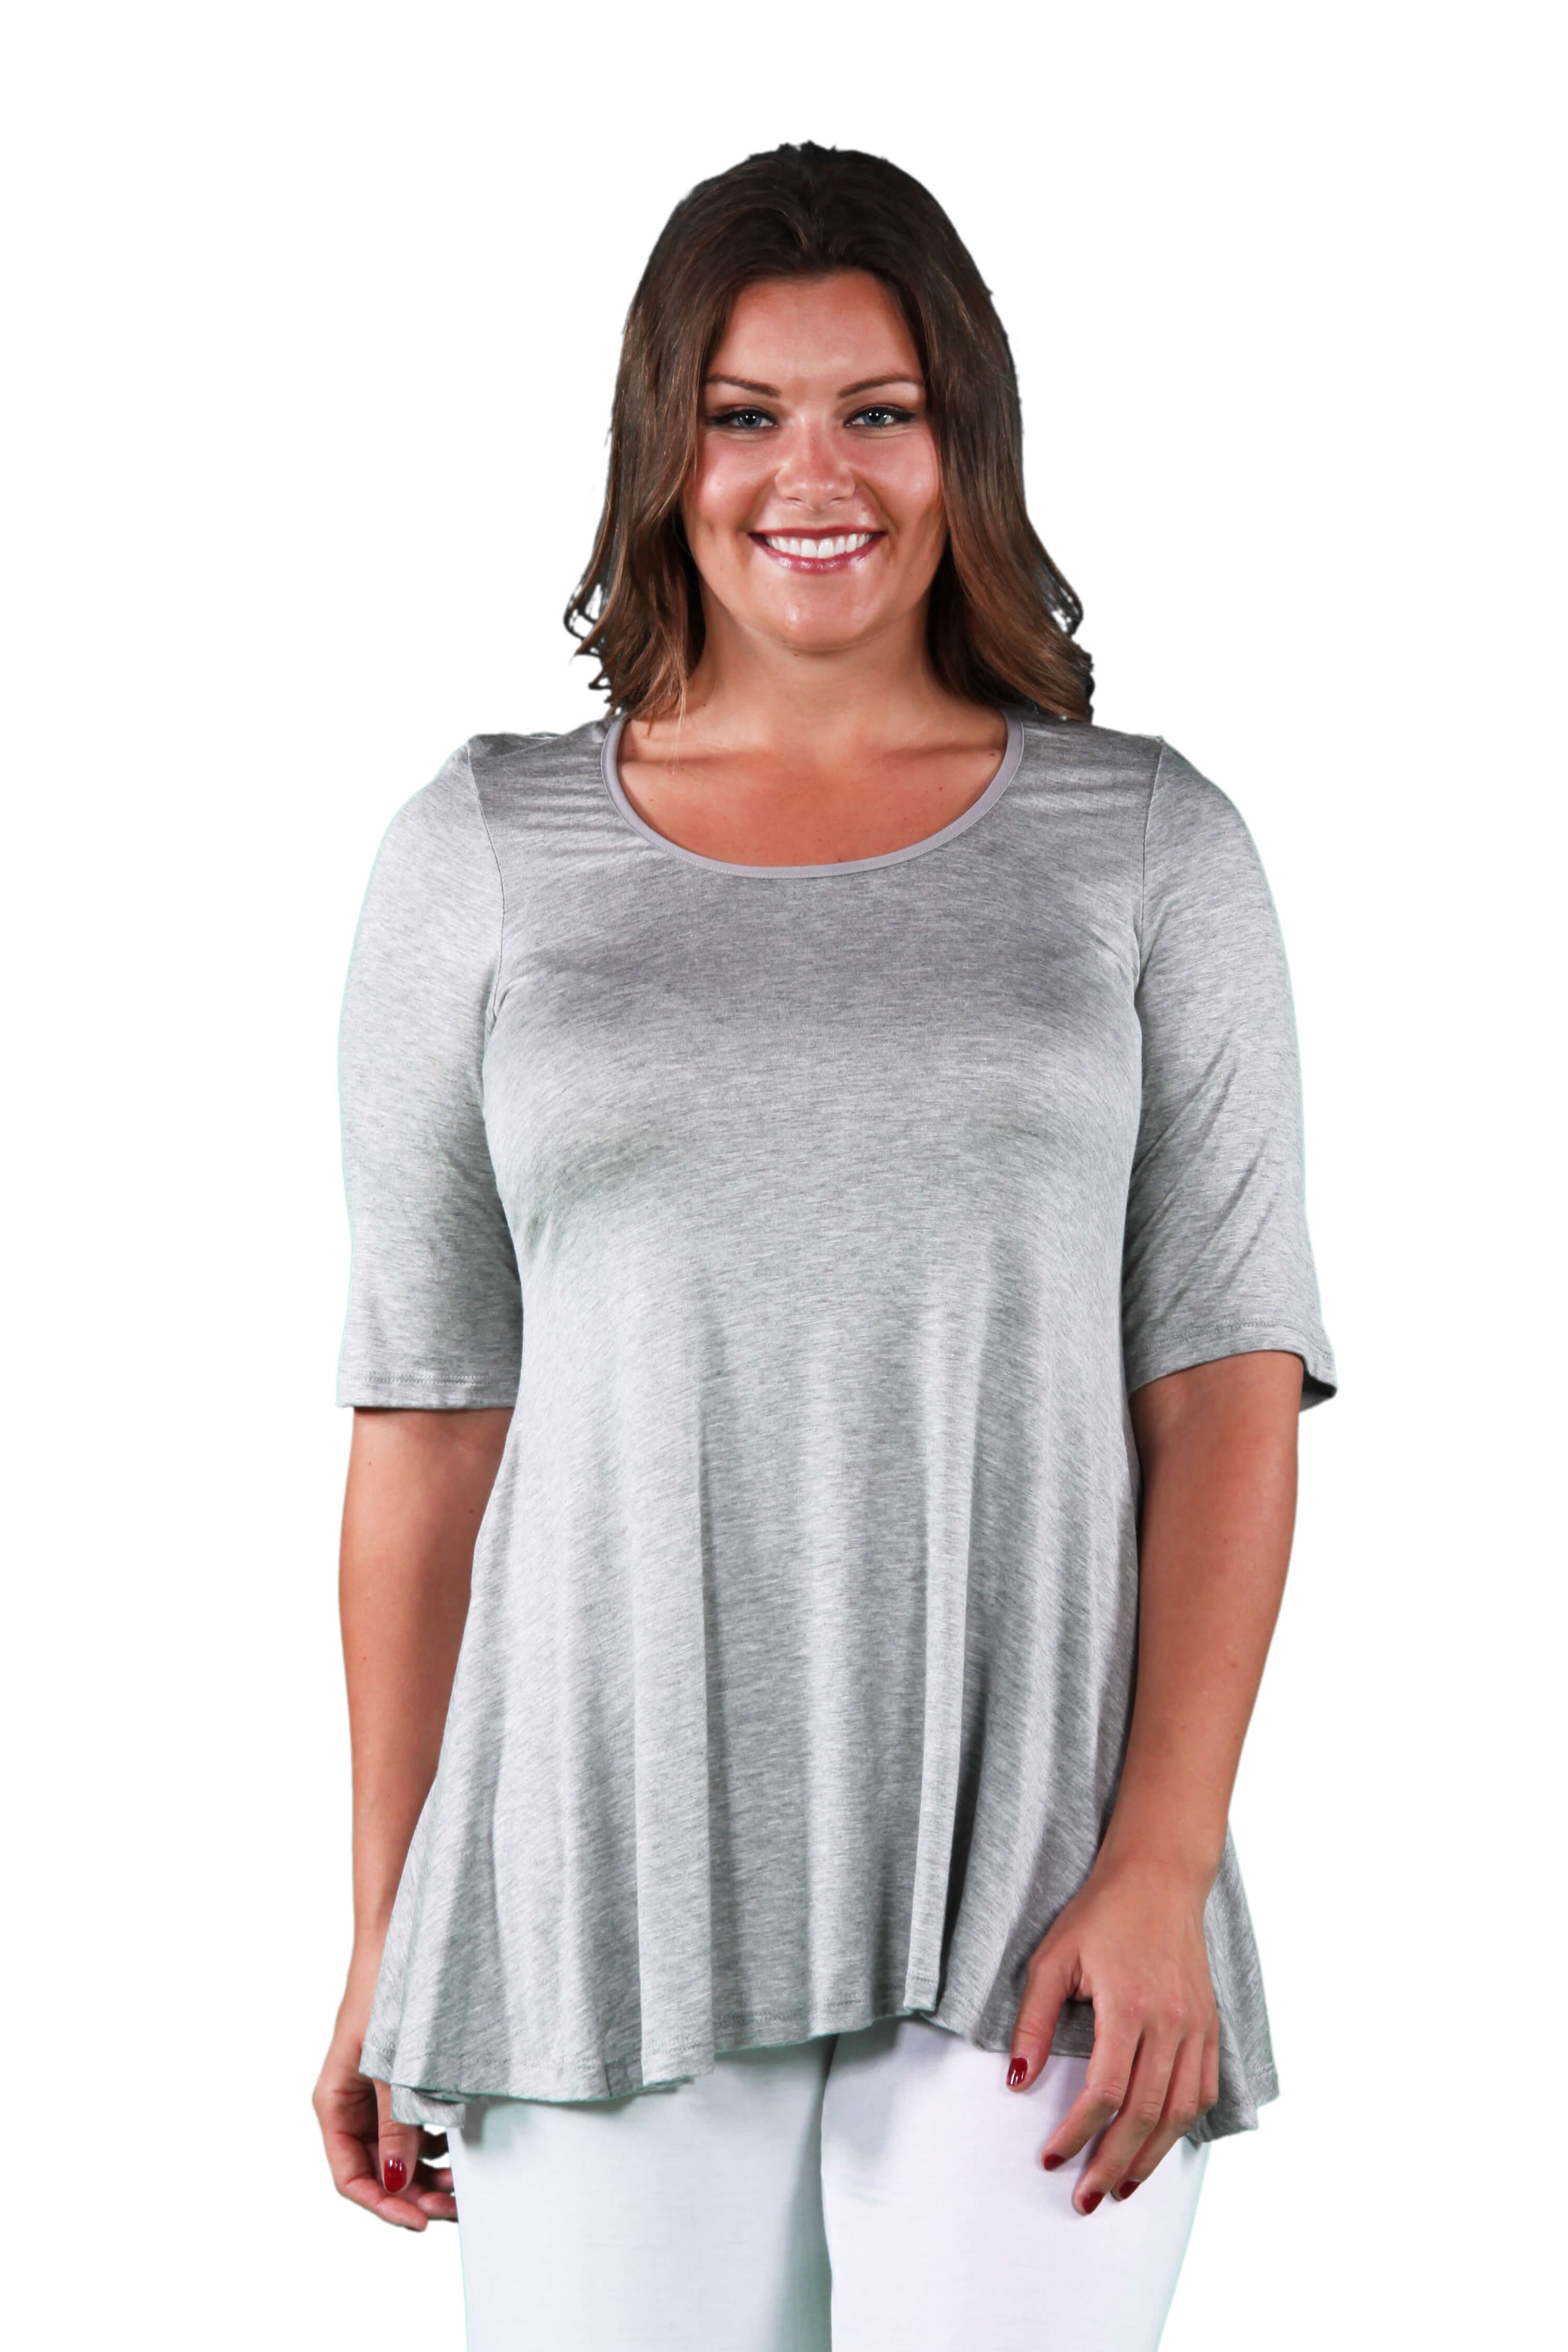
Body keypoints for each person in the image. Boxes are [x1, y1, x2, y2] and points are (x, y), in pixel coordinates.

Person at [312, 140, 1338, 2352]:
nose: (815, 474)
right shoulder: (479, 854)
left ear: (966, 441)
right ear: (660, 451)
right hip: (586, 1891)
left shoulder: (1149, 848)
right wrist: (392, 1929)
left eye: (881, 409)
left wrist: (1164, 1860)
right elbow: (429, 1430)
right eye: (745, 414)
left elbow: (1226, 1391)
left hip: (1044, 1894)